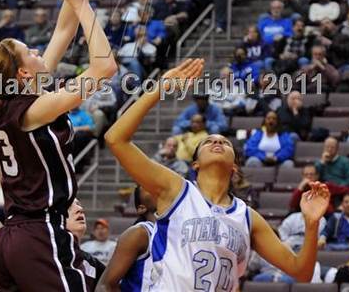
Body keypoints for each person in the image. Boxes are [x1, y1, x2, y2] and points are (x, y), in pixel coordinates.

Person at [0, 0, 115, 291]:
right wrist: (82, 2)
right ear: (22, 71)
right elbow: (105, 67)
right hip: (39, 233)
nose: (39, 52)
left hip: (10, 237)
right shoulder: (34, 110)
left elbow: (63, 31)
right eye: (30, 52)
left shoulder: (23, 101)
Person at [104, 58, 331, 291]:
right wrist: (159, 89)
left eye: (225, 142)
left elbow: (301, 272)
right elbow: (115, 139)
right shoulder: (176, 190)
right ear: (196, 164)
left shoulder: (247, 217)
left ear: (234, 166)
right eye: (209, 141)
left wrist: (312, 224)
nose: (217, 142)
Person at [96, 186, 156, 291]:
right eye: (148, 186)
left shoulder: (176, 233)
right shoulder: (140, 233)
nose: (155, 185)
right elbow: (104, 286)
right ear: (142, 208)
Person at [66, 199, 106, 292]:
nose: (80, 209)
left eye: (78, 204)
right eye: (68, 207)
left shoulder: (91, 263)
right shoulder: (45, 257)